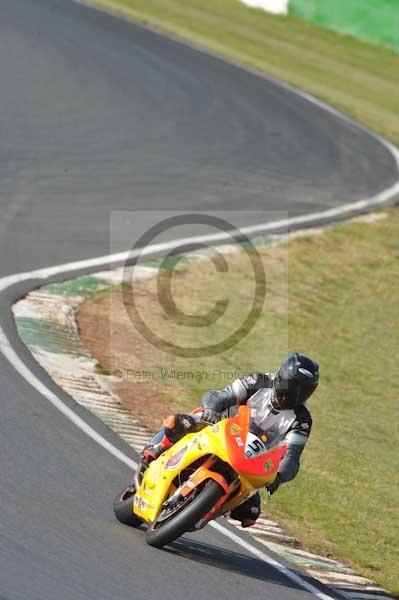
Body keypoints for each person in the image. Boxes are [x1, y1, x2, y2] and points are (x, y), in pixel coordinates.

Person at [137, 352, 319, 527]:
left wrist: (278, 476)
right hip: (221, 427)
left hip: (249, 456)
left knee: (250, 513)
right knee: (181, 423)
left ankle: (208, 509)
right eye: (292, 387)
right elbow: (219, 396)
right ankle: (159, 447)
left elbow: (292, 457)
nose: (293, 396)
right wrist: (212, 410)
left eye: (303, 392)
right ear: (281, 377)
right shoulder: (259, 381)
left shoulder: (302, 419)